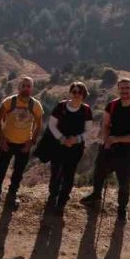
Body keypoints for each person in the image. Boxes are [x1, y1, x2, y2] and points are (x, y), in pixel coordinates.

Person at [81, 78, 130, 222]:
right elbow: (105, 125)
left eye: (127, 88)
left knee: (124, 183)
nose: (124, 91)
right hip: (110, 146)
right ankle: (96, 195)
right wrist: (107, 140)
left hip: (128, 151)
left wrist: (117, 139)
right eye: (122, 88)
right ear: (118, 90)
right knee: (99, 172)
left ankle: (122, 210)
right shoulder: (111, 105)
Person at [0, 76, 44, 209]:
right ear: (18, 87)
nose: (26, 88)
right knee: (0, 170)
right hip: (7, 143)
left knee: (18, 172)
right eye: (23, 86)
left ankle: (12, 194)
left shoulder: (36, 105)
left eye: (28, 86)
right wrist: (2, 140)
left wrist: (31, 143)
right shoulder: (9, 101)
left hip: (24, 145)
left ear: (32, 88)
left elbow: (39, 125)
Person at [44, 82, 93, 213]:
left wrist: (76, 139)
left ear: (84, 95)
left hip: (75, 148)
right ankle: (52, 197)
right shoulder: (61, 106)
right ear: (70, 93)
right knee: (56, 172)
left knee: (69, 174)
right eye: (74, 91)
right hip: (58, 145)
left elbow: (88, 130)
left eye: (80, 92)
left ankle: (62, 200)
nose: (77, 94)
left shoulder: (86, 110)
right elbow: (52, 125)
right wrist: (62, 139)